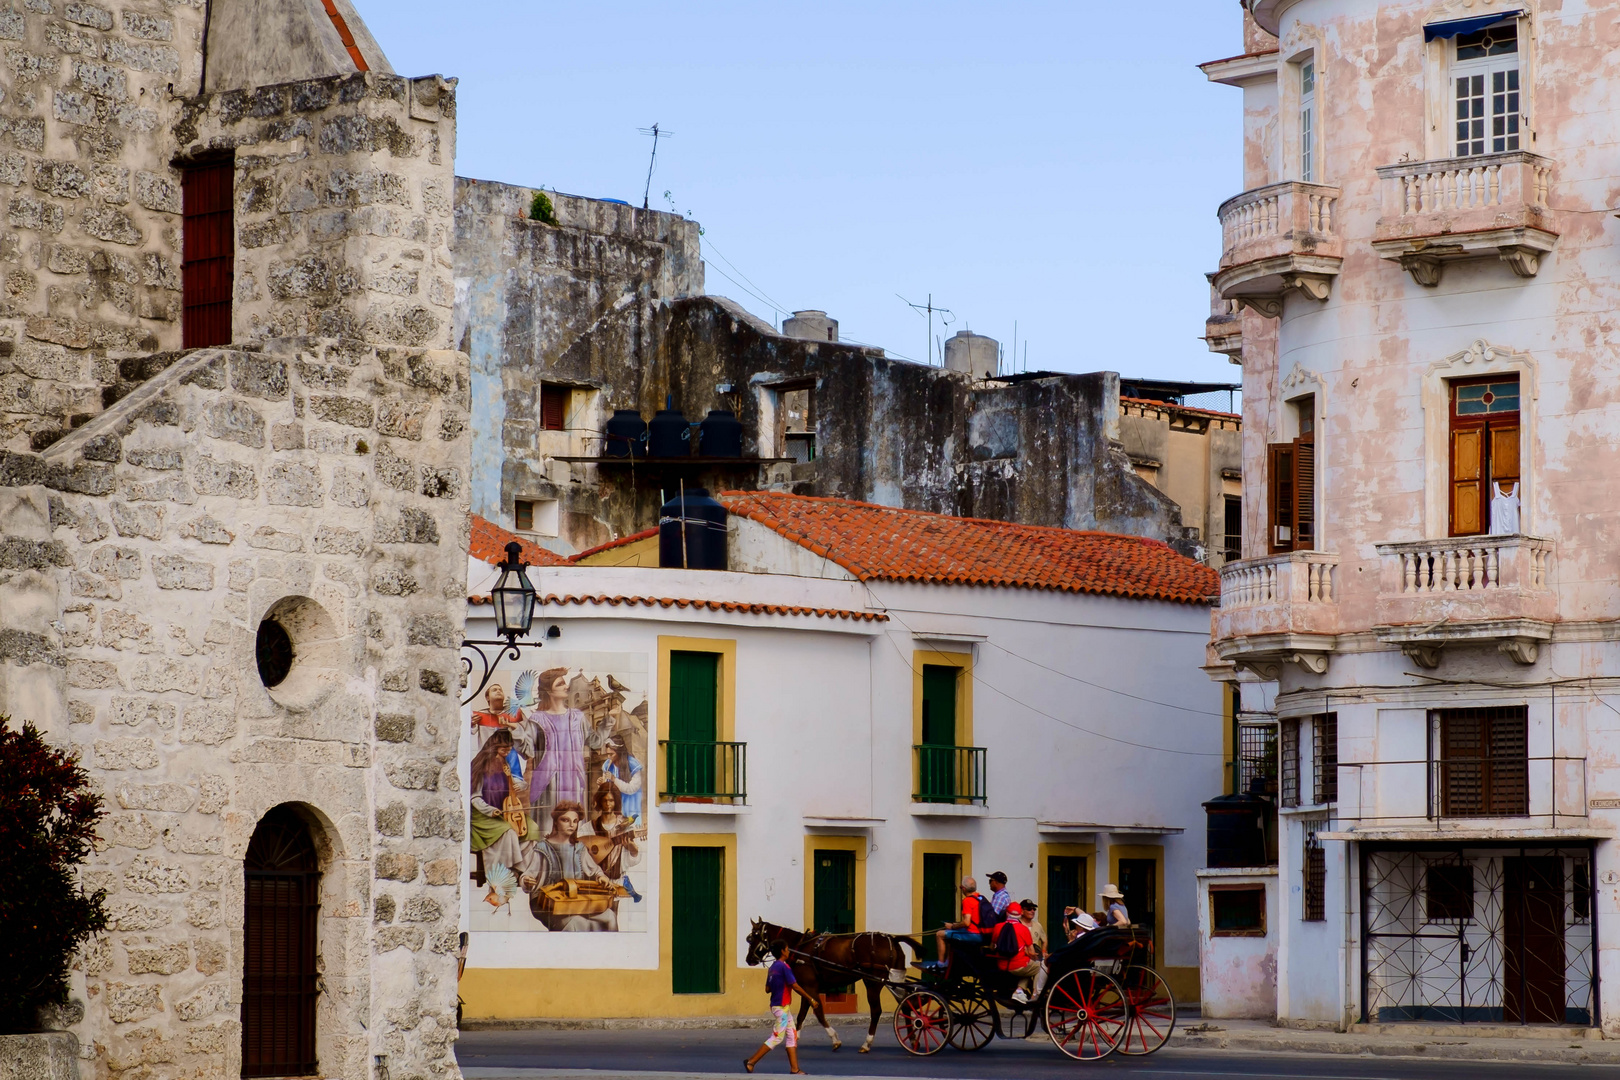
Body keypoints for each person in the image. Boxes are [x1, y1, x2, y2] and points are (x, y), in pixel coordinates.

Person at [524, 800, 617, 931]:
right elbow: (528, 875)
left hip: (575, 900)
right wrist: (527, 881)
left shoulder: (579, 848)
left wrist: (600, 876)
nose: (571, 825)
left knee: (610, 917)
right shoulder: (542, 848)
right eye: (566, 820)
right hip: (546, 903)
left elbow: (595, 870)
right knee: (577, 922)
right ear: (556, 821)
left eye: (575, 821)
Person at [467, 729, 537, 899]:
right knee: (508, 832)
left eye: (509, 749)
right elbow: (474, 798)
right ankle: (500, 879)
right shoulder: (480, 768)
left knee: (532, 828)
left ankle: (520, 873)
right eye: (503, 750)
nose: (506, 753)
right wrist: (490, 811)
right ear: (493, 748)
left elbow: (514, 784)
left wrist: (522, 786)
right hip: (481, 815)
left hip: (503, 811)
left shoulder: (505, 765)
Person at [528, 668, 590, 825]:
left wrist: (610, 720)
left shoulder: (577, 717)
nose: (566, 686)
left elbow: (594, 740)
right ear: (549, 691)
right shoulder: (537, 719)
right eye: (560, 683)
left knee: (573, 827)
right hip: (548, 783)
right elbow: (525, 747)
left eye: (564, 682)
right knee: (549, 828)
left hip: (574, 782)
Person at [744, 944, 812, 1075]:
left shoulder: (773, 967)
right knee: (777, 1037)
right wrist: (810, 999)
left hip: (780, 1006)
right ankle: (751, 1062)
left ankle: (795, 1069)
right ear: (782, 951)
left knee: (792, 1035)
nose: (788, 951)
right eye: (787, 949)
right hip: (781, 1007)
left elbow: (767, 989)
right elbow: (795, 986)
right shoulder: (785, 967)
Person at [935, 875, 993, 963]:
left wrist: (953, 926)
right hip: (983, 934)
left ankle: (941, 964)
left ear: (964, 889)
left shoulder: (967, 901)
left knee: (939, 934)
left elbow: (966, 923)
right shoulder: (980, 898)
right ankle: (948, 961)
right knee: (948, 934)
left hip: (974, 934)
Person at [995, 902, 1041, 1002]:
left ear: (1007, 913)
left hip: (1001, 965)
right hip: (1018, 966)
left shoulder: (997, 927)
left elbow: (992, 946)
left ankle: (1019, 991)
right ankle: (1034, 994)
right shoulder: (1024, 929)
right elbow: (1032, 953)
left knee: (1030, 968)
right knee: (1038, 966)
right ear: (1020, 914)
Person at [600, 735, 644, 824]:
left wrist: (614, 779)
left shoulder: (632, 764)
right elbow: (606, 788)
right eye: (607, 754)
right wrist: (601, 784)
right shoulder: (607, 765)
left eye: (611, 754)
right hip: (615, 806)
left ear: (619, 752)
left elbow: (631, 789)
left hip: (630, 804)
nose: (609, 757)